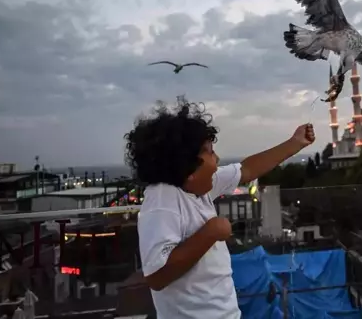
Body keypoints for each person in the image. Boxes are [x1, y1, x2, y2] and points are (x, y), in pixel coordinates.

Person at [124, 97, 315, 319]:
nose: (217, 158)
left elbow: (247, 169)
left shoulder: (198, 186)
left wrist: (295, 142)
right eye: (210, 152)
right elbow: (157, 276)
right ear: (188, 165)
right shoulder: (162, 201)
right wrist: (211, 232)